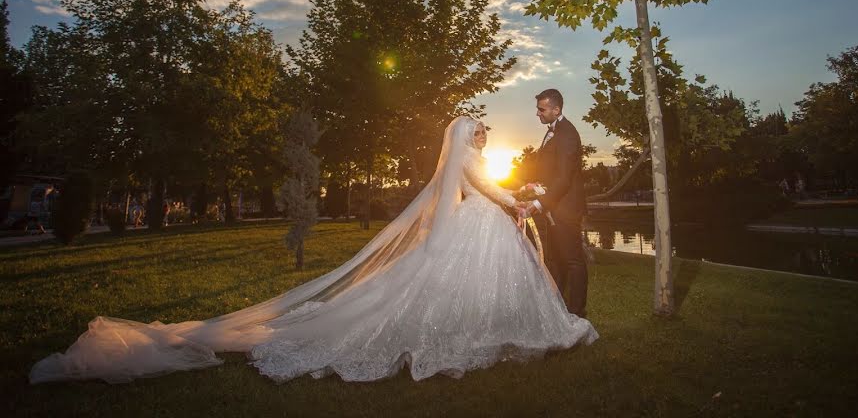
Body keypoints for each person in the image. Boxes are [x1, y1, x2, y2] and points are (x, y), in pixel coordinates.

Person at [29, 116, 597, 385]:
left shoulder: (458, 162)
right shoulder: (469, 161)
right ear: (464, 138)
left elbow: (482, 189)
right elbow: (488, 188)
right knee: (460, 286)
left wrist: (513, 197)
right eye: (475, 132)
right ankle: (501, 329)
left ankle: (493, 325)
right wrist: (518, 199)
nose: (479, 138)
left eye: (479, 133)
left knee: (463, 284)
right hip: (478, 221)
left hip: (474, 221)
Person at [520, 89, 589, 318]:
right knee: (557, 260)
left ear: (556, 110)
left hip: (566, 208)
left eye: (542, 109)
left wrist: (540, 204)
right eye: (538, 108)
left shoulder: (568, 133)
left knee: (573, 261)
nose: (537, 113)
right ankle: (559, 309)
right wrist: (537, 185)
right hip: (555, 205)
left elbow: (564, 178)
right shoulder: (554, 131)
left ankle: (577, 312)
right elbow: (553, 172)